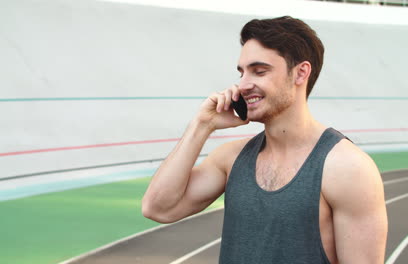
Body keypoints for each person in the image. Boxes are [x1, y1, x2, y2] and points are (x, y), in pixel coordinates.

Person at [142, 16, 388, 264]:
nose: (243, 84)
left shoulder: (348, 168)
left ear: (300, 73)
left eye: (259, 71)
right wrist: (202, 125)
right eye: (242, 73)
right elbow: (158, 208)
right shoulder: (231, 158)